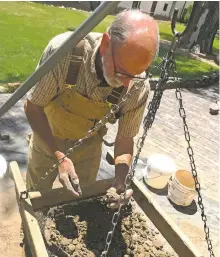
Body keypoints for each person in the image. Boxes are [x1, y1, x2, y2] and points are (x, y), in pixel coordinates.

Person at [24, 9, 159, 208]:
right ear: (106, 44)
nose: (127, 83)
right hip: (47, 139)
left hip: (88, 148)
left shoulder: (137, 86)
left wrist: (120, 179)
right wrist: (59, 157)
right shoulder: (65, 53)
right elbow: (33, 106)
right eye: (122, 71)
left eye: (136, 74)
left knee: (80, 204)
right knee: (36, 197)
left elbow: (125, 137)